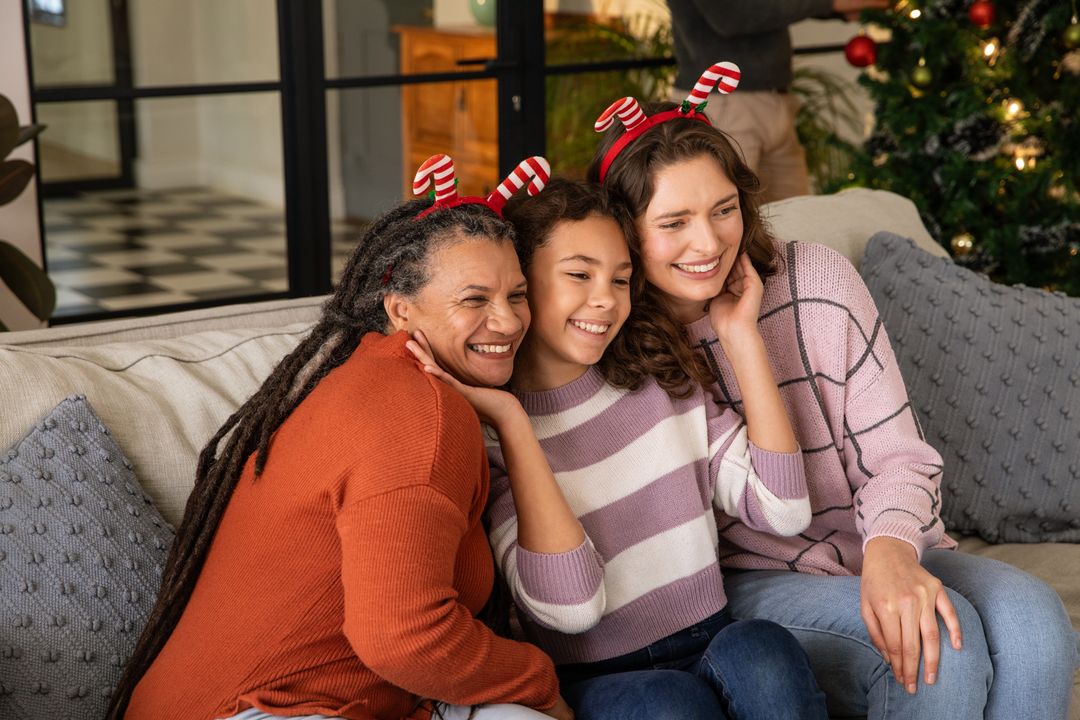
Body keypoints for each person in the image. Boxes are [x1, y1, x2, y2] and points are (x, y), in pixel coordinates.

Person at [588, 72, 1080, 719]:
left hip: (878, 541)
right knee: (941, 647)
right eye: (674, 222)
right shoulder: (616, 342)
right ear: (626, 232)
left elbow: (899, 457)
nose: (708, 243)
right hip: (748, 581)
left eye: (724, 209)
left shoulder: (813, 276)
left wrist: (891, 550)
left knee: (1039, 624)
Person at [106, 155, 574, 720]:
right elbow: (405, 638)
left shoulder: (370, 373)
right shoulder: (420, 412)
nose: (507, 321)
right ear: (400, 310)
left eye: (517, 295)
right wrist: (538, 680)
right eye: (474, 300)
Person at [407, 177, 828, 720]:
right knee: (665, 703)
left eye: (622, 279)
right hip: (600, 678)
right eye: (579, 274)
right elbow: (572, 608)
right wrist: (513, 423)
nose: (606, 298)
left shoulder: (660, 386)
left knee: (762, 648)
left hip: (713, 636)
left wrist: (739, 334)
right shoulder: (489, 442)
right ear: (521, 285)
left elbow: (783, 508)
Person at [665, 0, 889, 203]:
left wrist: (839, 9)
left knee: (795, 218)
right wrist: (832, 4)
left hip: (767, 100)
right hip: (723, 104)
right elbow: (732, 15)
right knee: (731, 216)